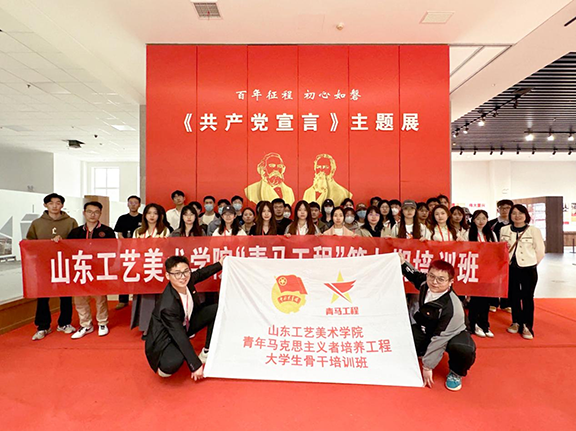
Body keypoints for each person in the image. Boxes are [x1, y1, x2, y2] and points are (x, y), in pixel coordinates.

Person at [400, 255, 476, 391]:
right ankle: (422, 348)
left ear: (450, 282)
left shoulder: (453, 308)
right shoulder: (425, 284)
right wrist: (403, 263)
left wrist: (427, 367)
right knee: (403, 341)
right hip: (428, 327)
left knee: (463, 349)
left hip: (451, 333)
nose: (434, 282)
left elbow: (440, 339)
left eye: (441, 279)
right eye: (431, 276)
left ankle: (456, 372)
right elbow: (414, 275)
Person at [145, 255, 225, 379]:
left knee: (215, 309)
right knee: (173, 363)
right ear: (168, 276)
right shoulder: (168, 306)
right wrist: (195, 365)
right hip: (166, 337)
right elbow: (179, 335)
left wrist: (220, 264)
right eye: (177, 273)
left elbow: (201, 273)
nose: (182, 277)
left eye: (186, 271)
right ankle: (164, 362)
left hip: (184, 324)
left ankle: (206, 351)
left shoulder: (187, 280)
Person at [27, 193, 78, 341]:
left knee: (66, 295)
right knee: (43, 296)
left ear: (62, 205)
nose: (55, 206)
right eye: (51, 203)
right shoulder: (37, 223)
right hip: (44, 264)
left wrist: (64, 242)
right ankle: (43, 326)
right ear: (45, 205)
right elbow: (30, 243)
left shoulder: (70, 222)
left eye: (58, 203)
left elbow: (77, 243)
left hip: (64, 263)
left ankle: (65, 322)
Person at [67, 201, 116, 339]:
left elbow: (113, 250)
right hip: (80, 270)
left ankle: (102, 323)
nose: (92, 214)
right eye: (89, 211)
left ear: (100, 213)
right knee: (80, 298)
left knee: (100, 298)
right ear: (84, 213)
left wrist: (108, 267)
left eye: (96, 212)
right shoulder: (75, 232)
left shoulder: (107, 231)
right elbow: (67, 250)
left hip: (98, 270)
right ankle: (85, 325)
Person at [500, 204, 545, 340]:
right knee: (513, 296)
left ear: (526, 215)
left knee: (527, 297)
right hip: (511, 268)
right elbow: (501, 249)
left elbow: (540, 250)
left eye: (520, 213)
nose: (517, 216)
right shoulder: (504, 229)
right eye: (514, 213)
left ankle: (527, 325)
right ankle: (516, 322)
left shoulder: (533, 230)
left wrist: (531, 263)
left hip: (528, 268)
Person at [131, 204, 170, 336]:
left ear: (160, 216)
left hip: (158, 268)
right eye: (149, 213)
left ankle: (160, 327)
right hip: (143, 268)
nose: (152, 216)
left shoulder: (164, 231)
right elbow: (133, 250)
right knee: (145, 299)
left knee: (160, 298)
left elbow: (166, 250)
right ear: (145, 215)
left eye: (155, 213)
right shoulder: (138, 232)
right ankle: (146, 327)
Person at [463, 210, 497, 338]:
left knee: (486, 299)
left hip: (487, 270)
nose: (481, 221)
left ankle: (485, 324)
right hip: (474, 269)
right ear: (473, 220)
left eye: (484, 218)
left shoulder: (491, 234)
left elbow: (496, 250)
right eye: (478, 219)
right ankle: (474, 324)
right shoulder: (468, 233)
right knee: (475, 299)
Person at [113, 195, 142, 309]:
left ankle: (137, 298)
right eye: (131, 202)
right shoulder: (122, 218)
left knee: (139, 274)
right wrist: (126, 243)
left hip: (140, 251)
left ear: (139, 205)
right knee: (124, 274)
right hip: (125, 250)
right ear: (127, 204)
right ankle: (123, 299)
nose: (133, 205)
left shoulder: (143, 218)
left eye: (135, 203)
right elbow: (119, 233)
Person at [487, 199, 514, 312]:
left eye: (507, 208)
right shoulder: (491, 224)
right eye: (502, 208)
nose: (505, 210)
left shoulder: (514, 223)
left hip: (511, 256)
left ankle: (506, 303)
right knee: (493, 279)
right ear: (498, 209)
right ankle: (493, 302)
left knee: (509, 280)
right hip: (494, 256)